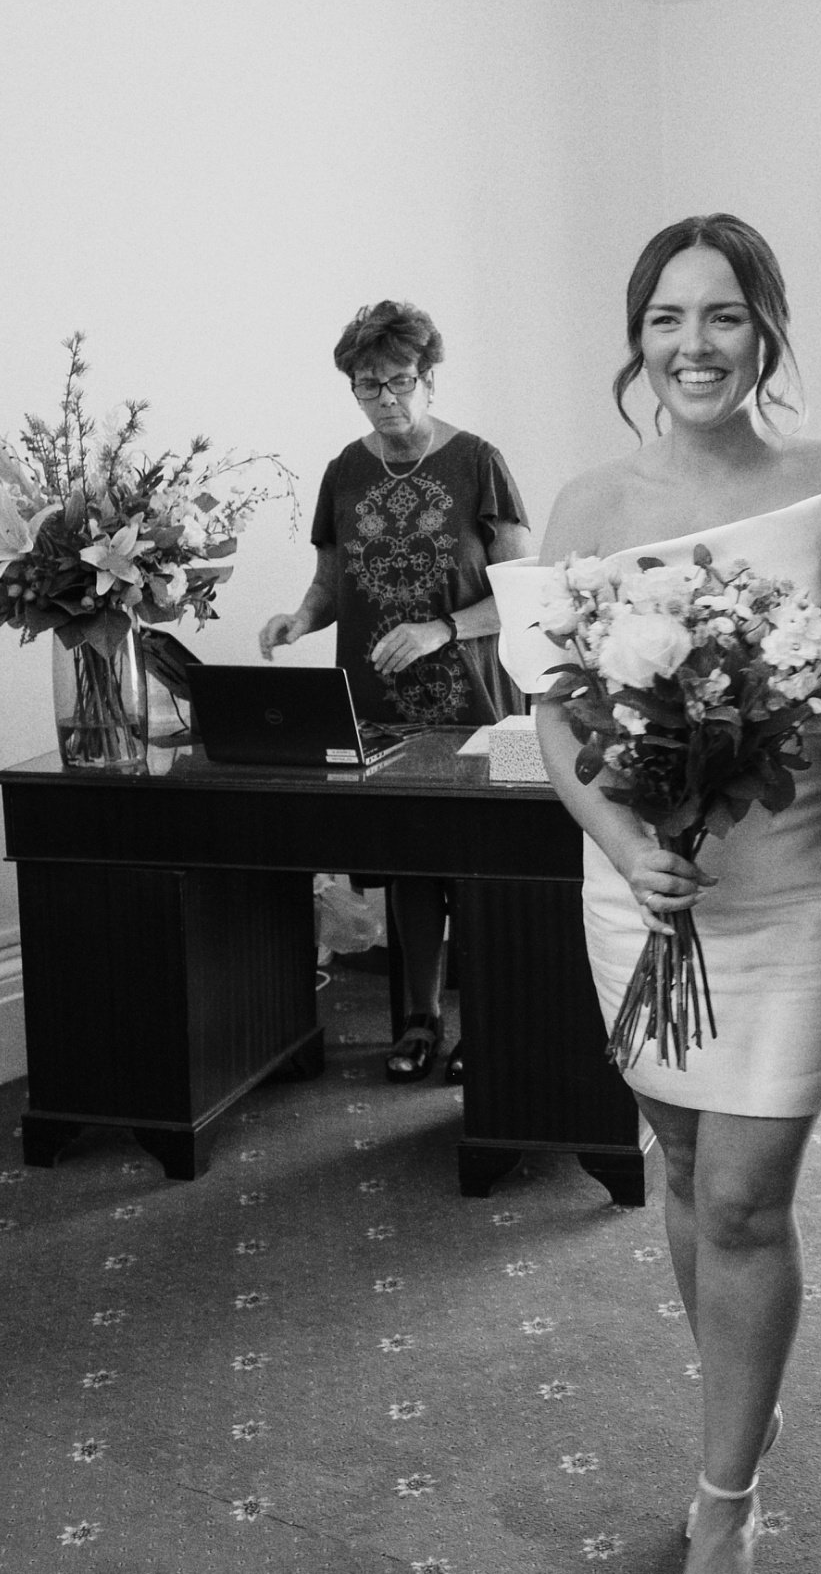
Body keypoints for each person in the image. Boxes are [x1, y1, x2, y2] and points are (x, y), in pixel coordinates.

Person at [494, 214, 821, 1573]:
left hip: (802, 882)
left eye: (724, 316)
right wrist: (624, 842)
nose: (696, 345)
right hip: (641, 886)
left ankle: (724, 1499)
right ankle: (737, 1408)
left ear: (767, 330)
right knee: (679, 1160)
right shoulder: (586, 505)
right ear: (637, 337)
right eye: (668, 319)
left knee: (745, 1192)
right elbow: (559, 713)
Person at [259, 301, 534, 1086]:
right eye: (368, 386)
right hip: (376, 709)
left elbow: (524, 592)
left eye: (400, 381)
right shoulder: (344, 471)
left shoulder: (478, 461)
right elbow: (329, 582)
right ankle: (419, 1023)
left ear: (431, 376)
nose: (387, 399)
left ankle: (490, 1024)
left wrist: (442, 628)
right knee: (410, 863)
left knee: (480, 866)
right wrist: (299, 619)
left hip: (475, 702)